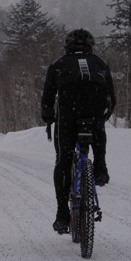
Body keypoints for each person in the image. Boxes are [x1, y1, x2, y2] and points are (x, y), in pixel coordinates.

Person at [41, 28, 116, 234]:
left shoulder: (58, 64)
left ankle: (62, 214)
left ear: (67, 47)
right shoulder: (100, 63)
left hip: (68, 115)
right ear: (91, 46)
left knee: (64, 160)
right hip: (93, 110)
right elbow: (112, 99)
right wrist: (102, 118)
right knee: (98, 128)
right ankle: (100, 167)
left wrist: (48, 117)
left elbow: (47, 100)